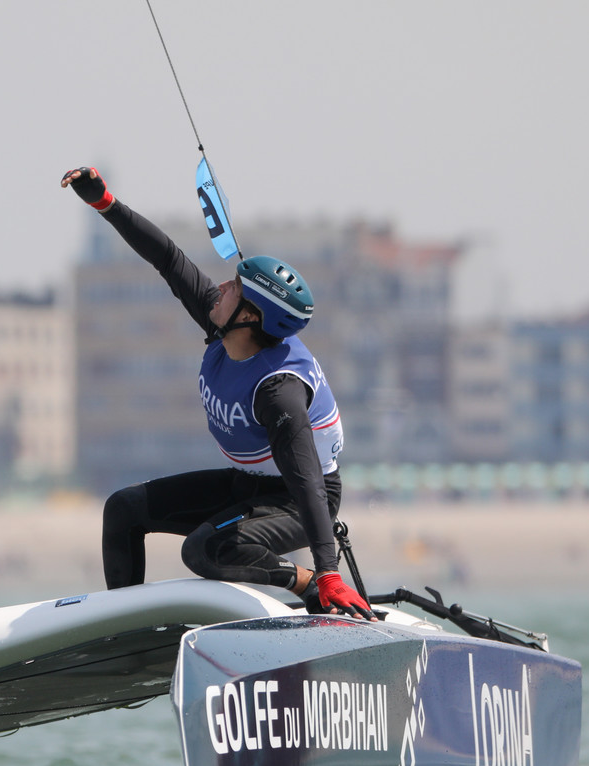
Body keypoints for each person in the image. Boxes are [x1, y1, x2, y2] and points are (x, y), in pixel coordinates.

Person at [60, 166, 376, 619]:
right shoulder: (223, 322)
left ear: (251, 317)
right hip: (248, 486)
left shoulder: (278, 392)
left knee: (205, 551)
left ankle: (303, 583)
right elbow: (169, 258)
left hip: (301, 499)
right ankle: (120, 629)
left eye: (235, 288)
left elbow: (307, 480)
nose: (221, 287)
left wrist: (327, 573)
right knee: (125, 508)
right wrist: (105, 204)